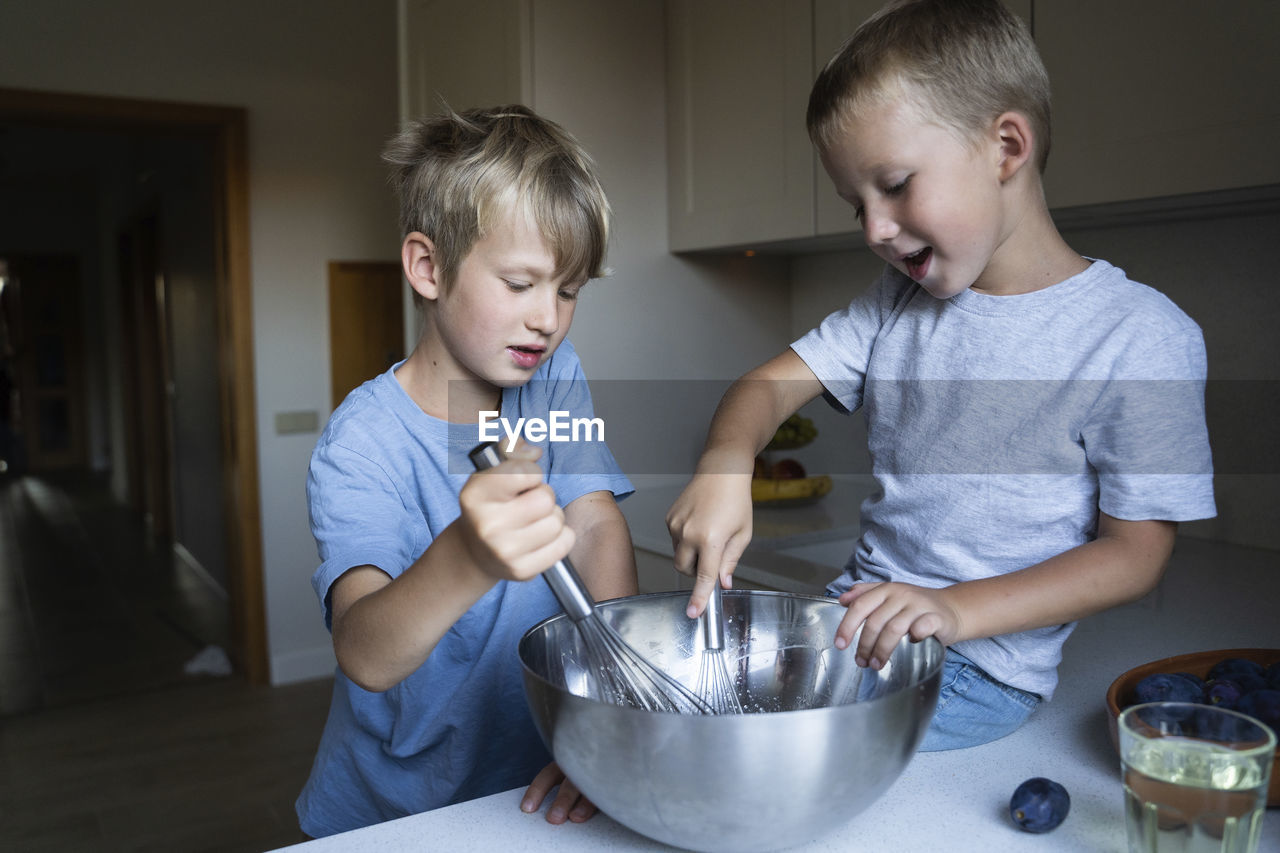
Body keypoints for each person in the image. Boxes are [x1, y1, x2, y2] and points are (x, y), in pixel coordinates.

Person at [665, 0, 1215, 751]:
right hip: (858, 622)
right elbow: (766, 386)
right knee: (675, 688)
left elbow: (1134, 556)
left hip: (975, 666)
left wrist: (953, 609)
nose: (873, 228)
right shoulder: (897, 303)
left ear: (1007, 146)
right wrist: (727, 461)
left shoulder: (1139, 337)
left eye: (894, 183)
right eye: (856, 203)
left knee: (717, 744)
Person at [296, 104, 636, 837]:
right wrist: (469, 555)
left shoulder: (552, 379)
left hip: (532, 783)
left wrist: (609, 718)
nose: (549, 317)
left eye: (569, 290)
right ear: (428, 267)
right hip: (396, 810)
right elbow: (365, 650)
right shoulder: (363, 442)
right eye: (521, 283)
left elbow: (594, 520)